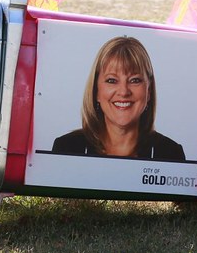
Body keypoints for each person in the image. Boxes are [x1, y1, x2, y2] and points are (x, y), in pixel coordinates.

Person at [52, 36, 186, 161]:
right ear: (96, 91)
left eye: (134, 80)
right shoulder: (66, 148)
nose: (123, 91)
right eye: (112, 80)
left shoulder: (171, 153)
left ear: (148, 91)